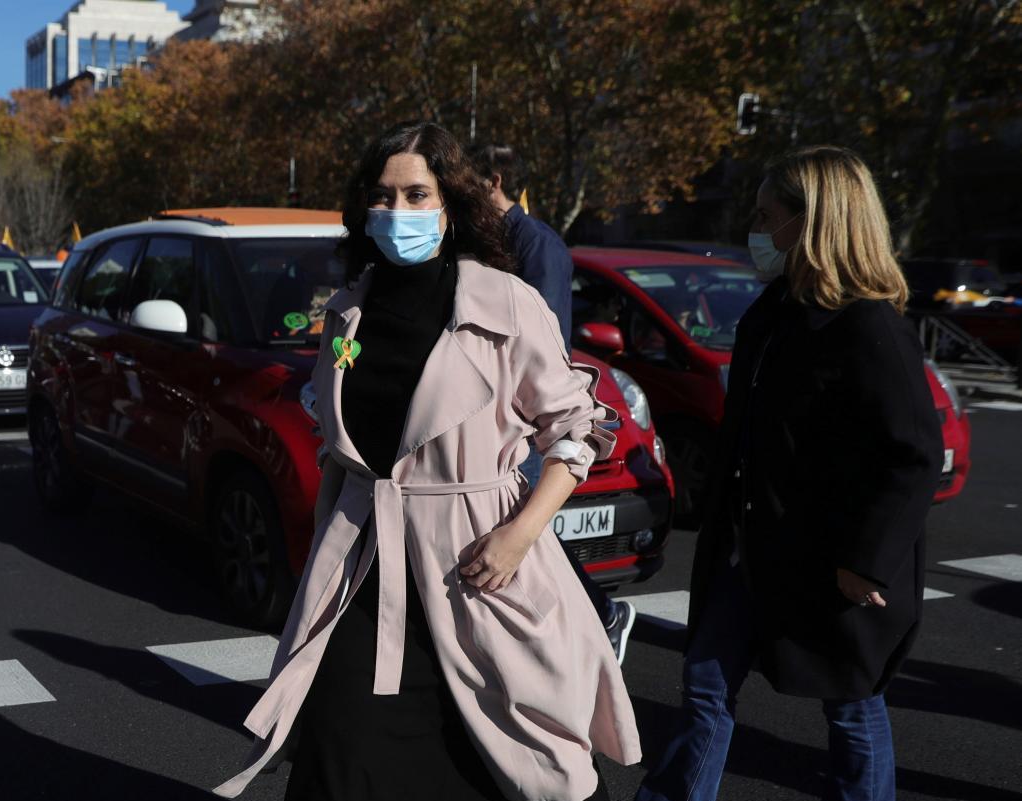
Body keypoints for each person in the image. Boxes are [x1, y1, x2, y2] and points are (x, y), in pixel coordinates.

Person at [217, 121, 639, 801]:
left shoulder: (505, 301)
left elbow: (575, 429)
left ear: (453, 202)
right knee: (339, 748)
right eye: (383, 197)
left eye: (417, 194)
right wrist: (321, 553)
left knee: (506, 757)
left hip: (473, 567)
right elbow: (337, 445)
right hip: (365, 568)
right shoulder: (349, 311)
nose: (398, 213)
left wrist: (518, 535)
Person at [635, 146, 943, 801]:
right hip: (751, 549)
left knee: (850, 703)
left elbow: (913, 453)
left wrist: (869, 559)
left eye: (766, 214)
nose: (754, 227)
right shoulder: (773, 312)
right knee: (706, 685)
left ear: (814, 222)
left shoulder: (868, 325)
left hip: (832, 561)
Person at [475, 142, 638, 663]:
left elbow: (543, 344)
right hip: (488, 412)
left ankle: (598, 615)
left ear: (493, 180)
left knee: (525, 528)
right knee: (512, 529)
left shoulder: (538, 246)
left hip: (520, 416)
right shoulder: (489, 240)